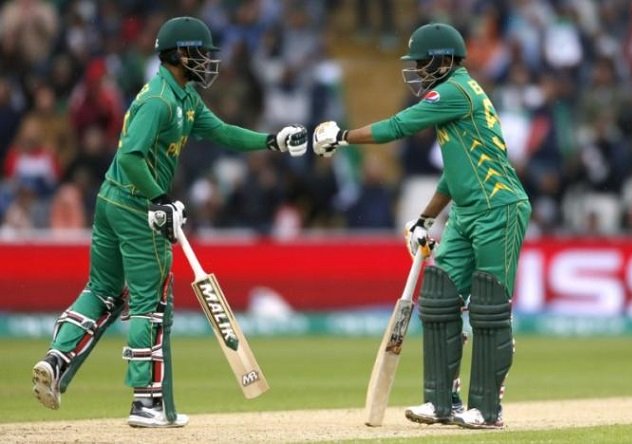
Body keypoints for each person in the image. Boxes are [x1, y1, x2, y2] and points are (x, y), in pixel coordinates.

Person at [32, 16, 307, 428]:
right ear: (178, 55)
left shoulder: (184, 96)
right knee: (152, 305)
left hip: (114, 201)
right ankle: (148, 403)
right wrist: (160, 199)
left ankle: (56, 360)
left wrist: (271, 140)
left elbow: (224, 133)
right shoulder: (160, 100)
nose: (208, 61)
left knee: (103, 291)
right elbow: (129, 156)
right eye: (200, 53)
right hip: (136, 207)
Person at [313, 23, 531, 429]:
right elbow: (455, 173)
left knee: (488, 307)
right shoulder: (452, 102)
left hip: (499, 208)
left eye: (422, 62)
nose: (417, 70)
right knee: (439, 296)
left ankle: (486, 408)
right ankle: (441, 401)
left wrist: (342, 136)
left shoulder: (454, 91)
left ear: (445, 60)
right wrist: (427, 216)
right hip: (466, 211)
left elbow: (397, 127)